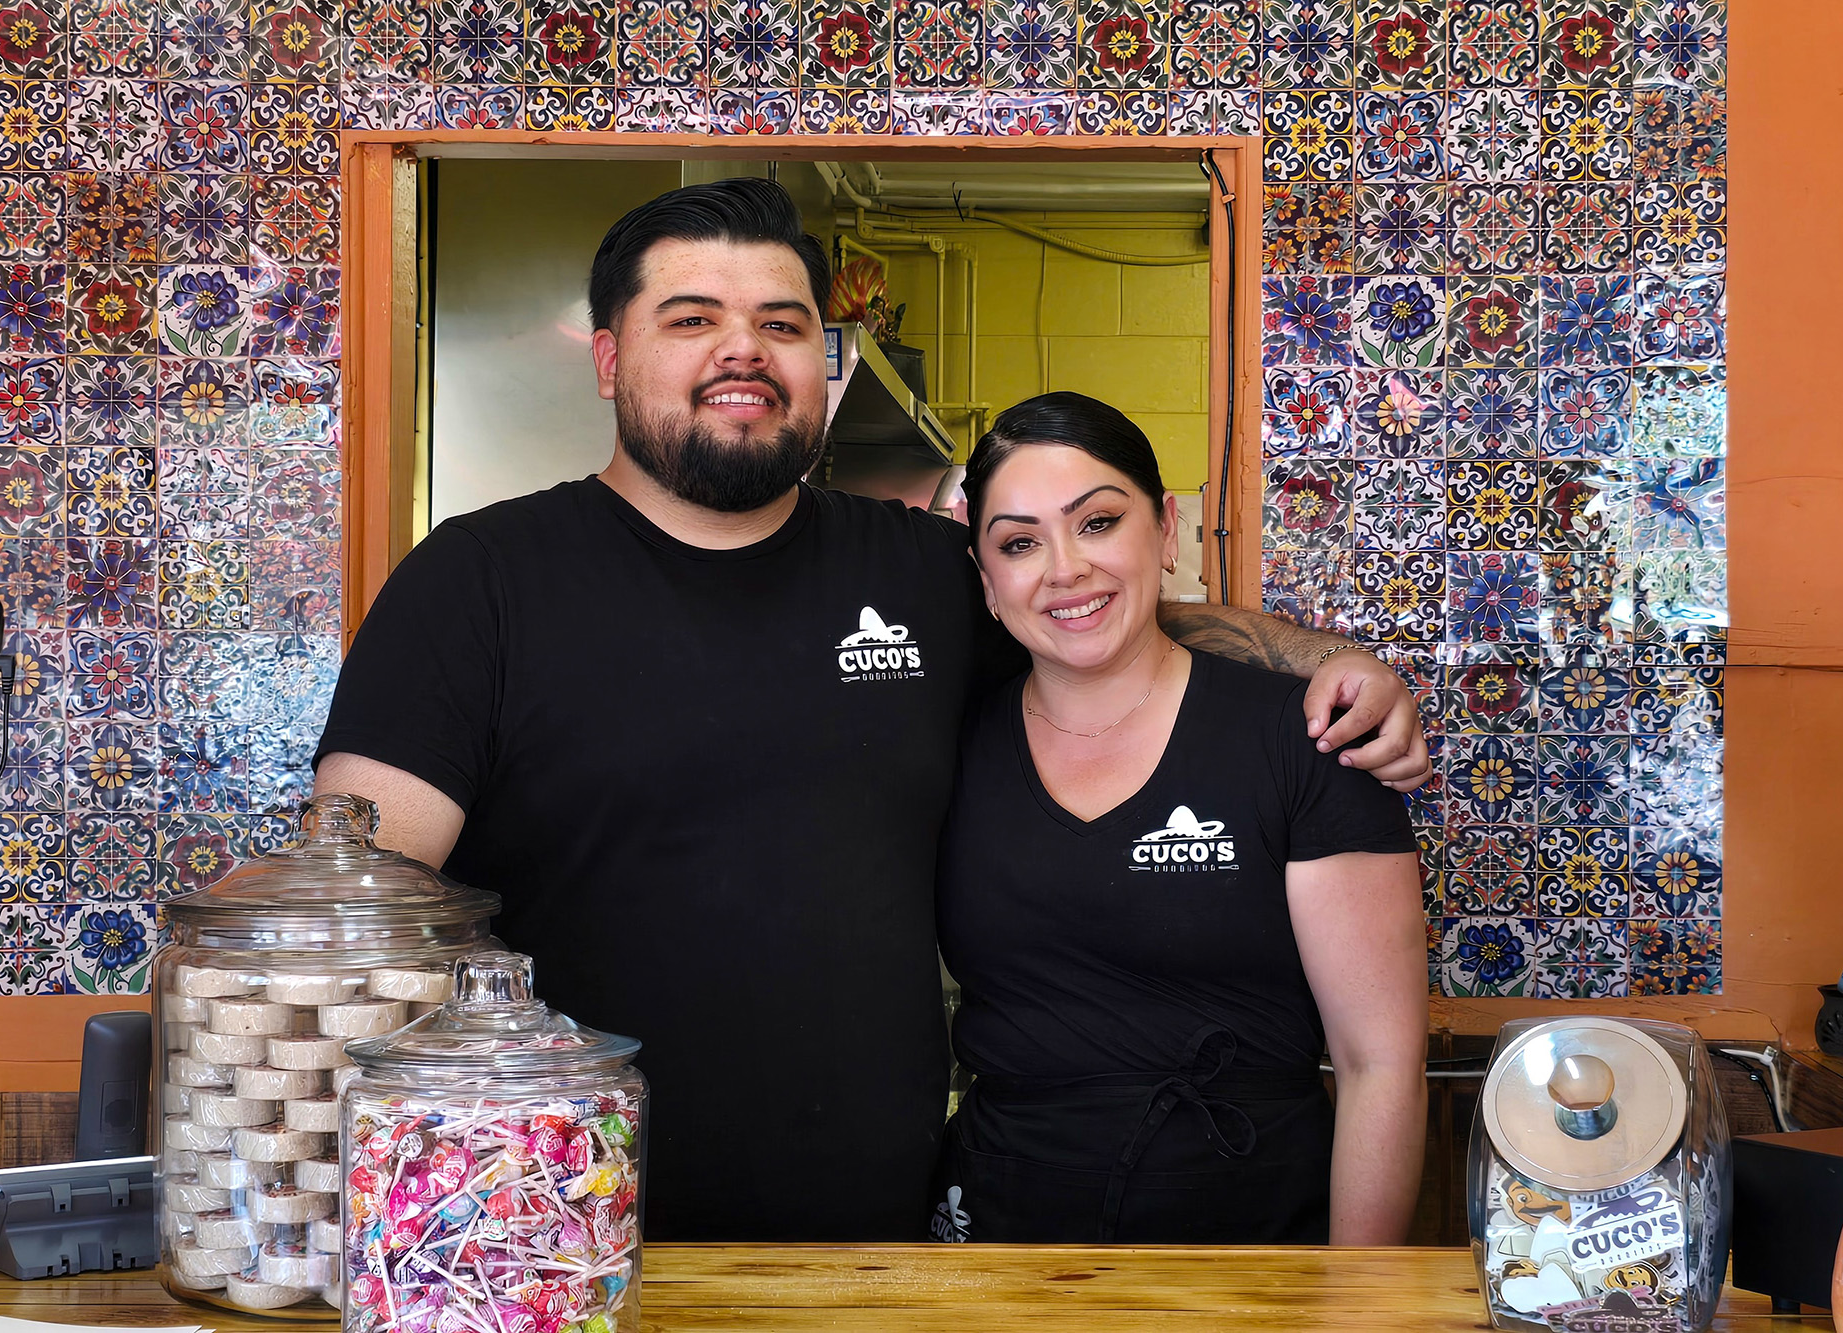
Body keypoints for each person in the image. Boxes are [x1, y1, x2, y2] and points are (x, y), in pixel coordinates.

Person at [313, 178, 1429, 1242]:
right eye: (692, 317)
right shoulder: (476, 584)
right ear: (609, 359)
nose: (742, 348)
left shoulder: (919, 572)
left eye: (782, 323)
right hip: (554, 1220)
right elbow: (349, 932)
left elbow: (1095, 618)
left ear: (821, 361)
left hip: (880, 1224)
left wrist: (1331, 659)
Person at [930, 391, 1427, 1246]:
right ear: (986, 579)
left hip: (1255, 1238)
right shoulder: (944, 743)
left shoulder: (1306, 737)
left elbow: (1379, 1065)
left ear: (1164, 529)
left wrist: (1359, 1301)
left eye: (1097, 523)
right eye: (1018, 542)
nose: (1064, 569)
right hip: (996, 1240)